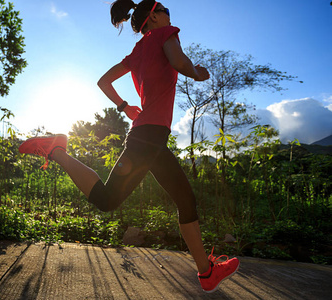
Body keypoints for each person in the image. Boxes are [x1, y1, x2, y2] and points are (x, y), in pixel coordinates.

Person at [19, 0, 239, 293]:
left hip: (152, 137)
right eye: (166, 11)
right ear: (155, 17)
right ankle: (57, 150)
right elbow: (178, 62)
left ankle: (207, 273)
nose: (170, 17)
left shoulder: (136, 51)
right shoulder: (165, 33)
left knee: (186, 201)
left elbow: (103, 81)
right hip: (147, 137)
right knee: (108, 200)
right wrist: (198, 72)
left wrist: (124, 106)